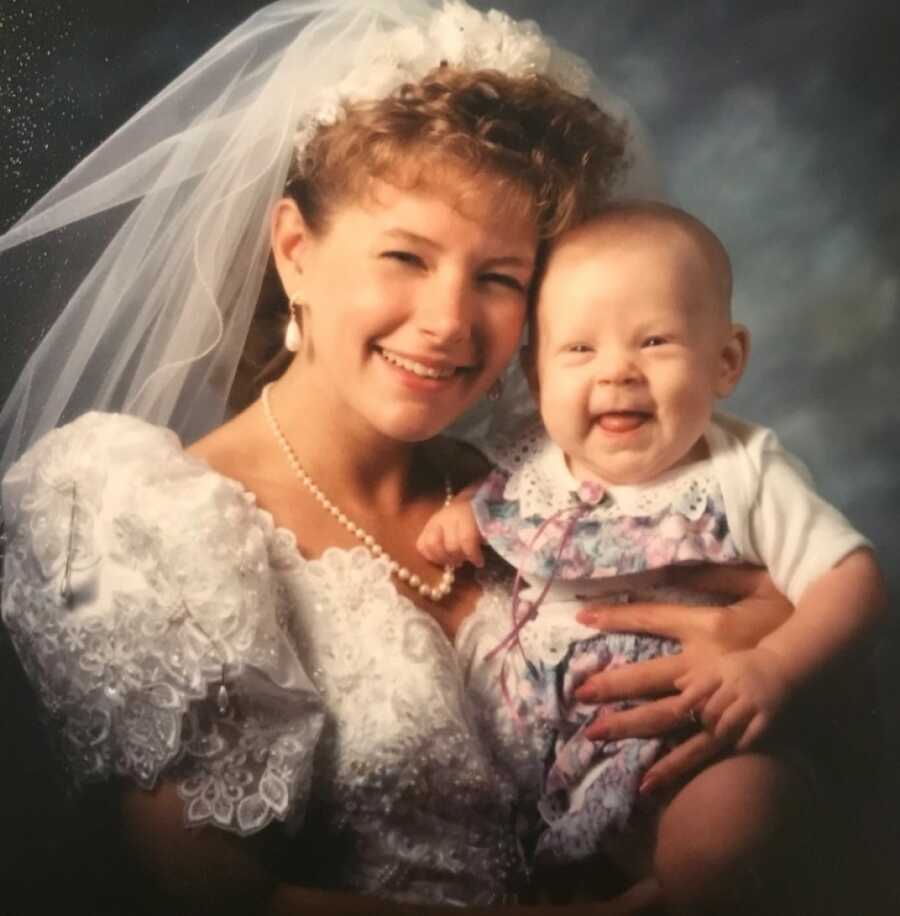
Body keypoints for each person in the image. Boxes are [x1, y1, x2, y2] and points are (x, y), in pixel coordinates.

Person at [0, 3, 841, 914]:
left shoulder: (554, 489)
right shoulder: (141, 515)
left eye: (499, 278)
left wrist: (757, 635)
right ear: (295, 252)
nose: (448, 321)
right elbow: (210, 898)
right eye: (406, 255)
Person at [419, 202, 886, 889]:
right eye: (580, 349)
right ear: (536, 374)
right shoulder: (534, 464)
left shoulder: (743, 472)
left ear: (725, 361)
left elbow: (855, 579)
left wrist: (775, 667)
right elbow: (501, 504)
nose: (617, 373)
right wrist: (466, 515)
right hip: (536, 760)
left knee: (734, 824)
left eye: (655, 342)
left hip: (689, 750)